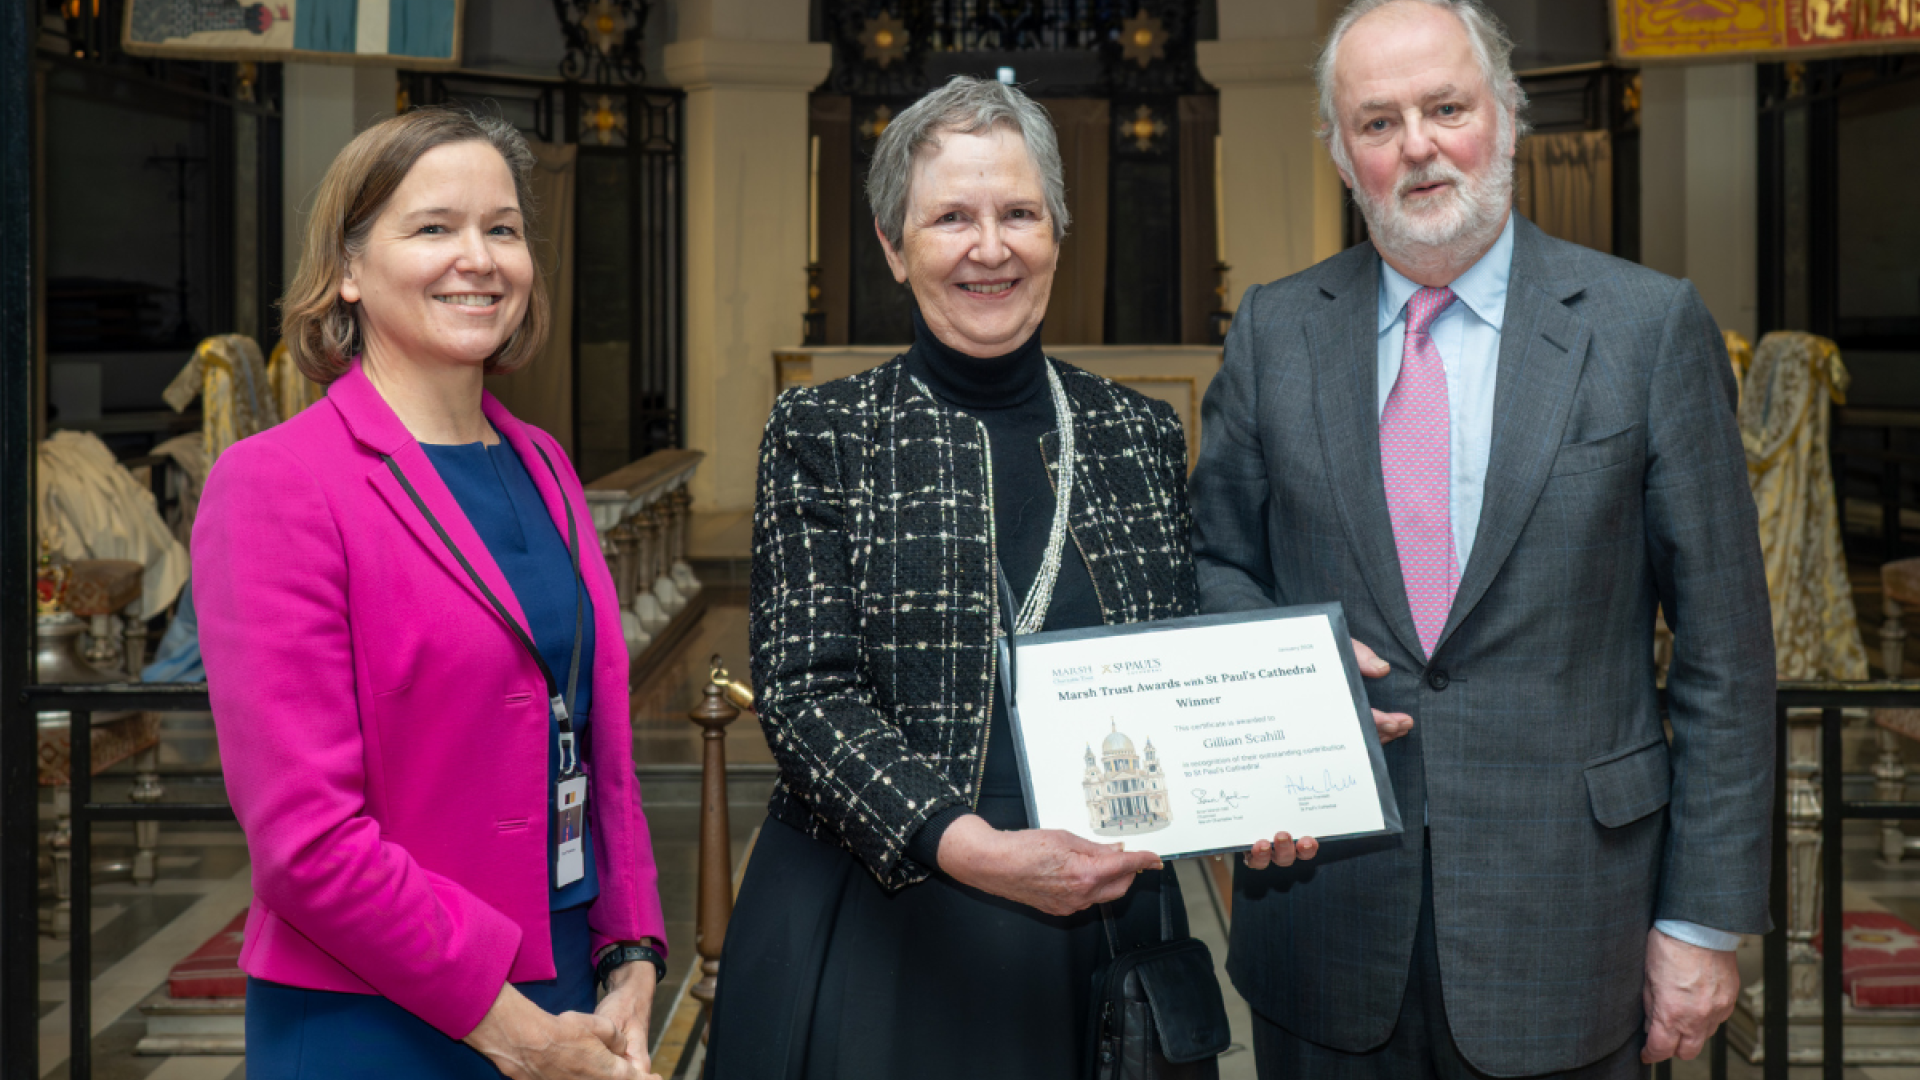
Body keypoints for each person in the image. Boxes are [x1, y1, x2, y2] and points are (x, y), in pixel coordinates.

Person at [1188, 2, 1774, 1077]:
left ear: (1507, 117)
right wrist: (1288, 666)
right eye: (1376, 122)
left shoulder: (1647, 330)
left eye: (1446, 107)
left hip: (1573, 927)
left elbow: (1727, 655)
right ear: (1339, 152)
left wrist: (1700, 923)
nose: (1416, 145)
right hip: (1324, 926)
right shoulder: (1276, 332)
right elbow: (1214, 562)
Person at [704, 75, 1323, 1080]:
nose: (989, 248)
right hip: (886, 912)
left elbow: (1183, 665)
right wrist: (969, 846)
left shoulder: (1137, 431)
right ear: (894, 245)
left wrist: (1274, 760)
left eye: (1019, 214)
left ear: (1056, 234)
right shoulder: (824, 432)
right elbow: (807, 695)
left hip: (1104, 924)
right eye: (951, 217)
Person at [194, 108, 668, 1080]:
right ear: (349, 271)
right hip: (378, 1013)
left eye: (503, 229)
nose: (479, 258)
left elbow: (596, 741)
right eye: (434, 228)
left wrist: (631, 952)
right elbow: (306, 841)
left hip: (571, 985)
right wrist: (515, 1032)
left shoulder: (541, 463)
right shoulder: (277, 484)